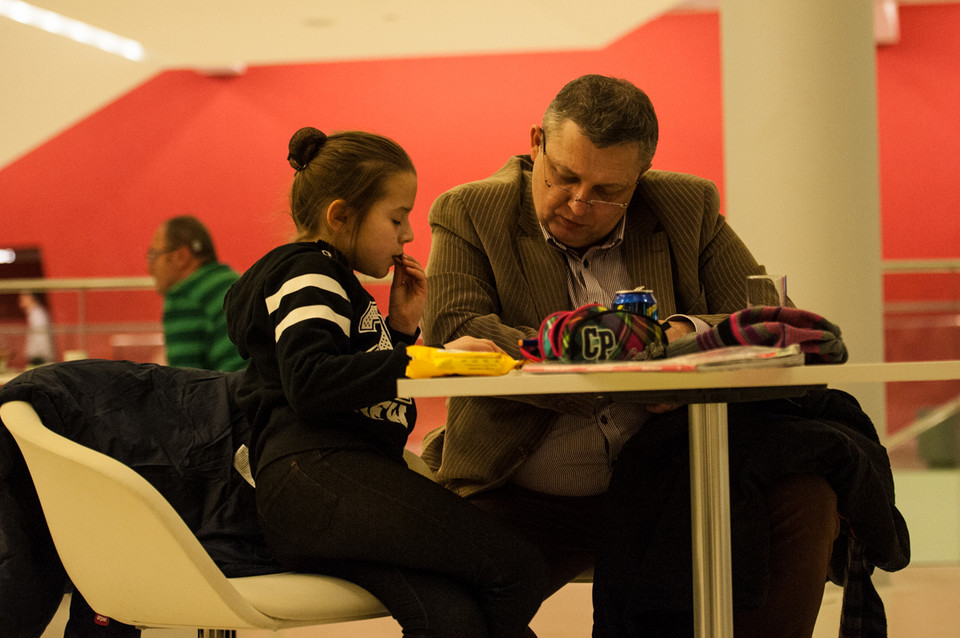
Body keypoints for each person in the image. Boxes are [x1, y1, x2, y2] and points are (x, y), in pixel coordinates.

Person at [421, 75, 903, 637]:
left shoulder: (685, 206)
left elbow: (772, 318)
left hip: (672, 486)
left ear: (641, 176)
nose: (579, 203)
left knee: (807, 502)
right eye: (565, 177)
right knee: (449, 607)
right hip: (521, 490)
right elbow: (457, 330)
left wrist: (682, 331)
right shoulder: (470, 211)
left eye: (607, 191)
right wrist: (626, 371)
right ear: (536, 144)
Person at [223, 127, 548, 638]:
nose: (409, 234)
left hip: (328, 484)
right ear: (340, 215)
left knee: (451, 617)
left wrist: (399, 330)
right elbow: (309, 381)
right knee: (517, 567)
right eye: (396, 217)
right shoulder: (311, 271)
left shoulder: (334, 280)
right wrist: (430, 359)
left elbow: (356, 392)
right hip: (319, 475)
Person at [147, 215, 246, 371]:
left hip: (236, 393)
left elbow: (184, 383)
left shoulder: (184, 297)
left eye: (153, 256)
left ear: (181, 257)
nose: (149, 269)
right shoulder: (236, 281)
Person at [18, 292, 56, 365]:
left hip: (40, 356)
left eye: (22, 299)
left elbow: (41, 337)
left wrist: (37, 354)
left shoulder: (38, 314)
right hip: (38, 355)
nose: (20, 302)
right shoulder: (33, 313)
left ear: (29, 298)